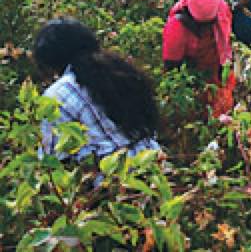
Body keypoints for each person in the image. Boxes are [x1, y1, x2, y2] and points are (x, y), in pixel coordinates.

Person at [33, 18, 160, 163]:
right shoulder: (121, 71)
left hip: (109, 178)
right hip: (151, 164)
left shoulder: (57, 95)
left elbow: (52, 160)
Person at [162, 0, 235, 117]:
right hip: (196, 73)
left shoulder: (220, 8)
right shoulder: (177, 27)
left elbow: (226, 41)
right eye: (203, 25)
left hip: (218, 65)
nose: (207, 28)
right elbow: (172, 66)